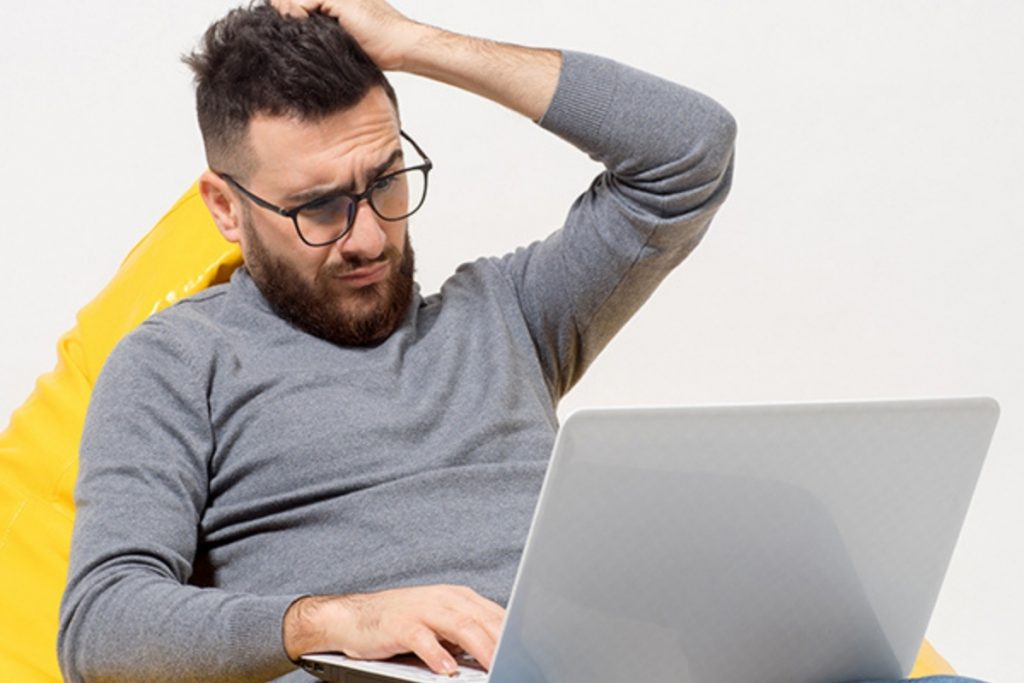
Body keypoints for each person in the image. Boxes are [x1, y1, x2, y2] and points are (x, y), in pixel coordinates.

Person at [54, 2, 979, 683]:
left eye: (384, 179)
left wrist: (418, 45)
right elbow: (98, 625)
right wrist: (335, 620)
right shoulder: (174, 362)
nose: (369, 234)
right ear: (225, 206)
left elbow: (689, 154)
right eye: (318, 207)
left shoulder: (507, 313)